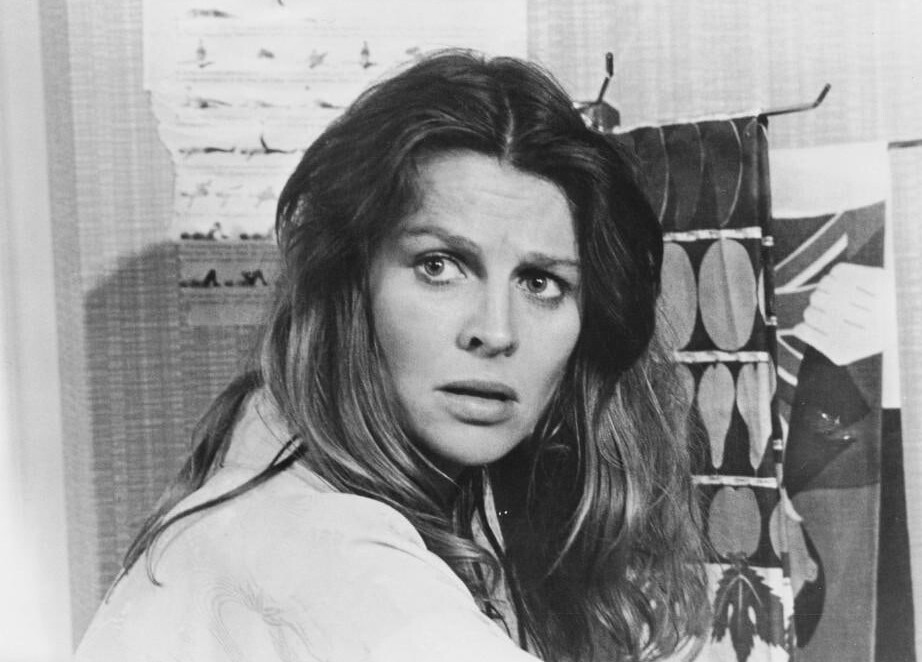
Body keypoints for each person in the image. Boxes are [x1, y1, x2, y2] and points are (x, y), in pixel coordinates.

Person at [75, 50, 709, 661]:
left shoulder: (273, 488)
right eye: (439, 266)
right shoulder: (343, 571)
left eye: (540, 282)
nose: (495, 332)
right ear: (351, 290)